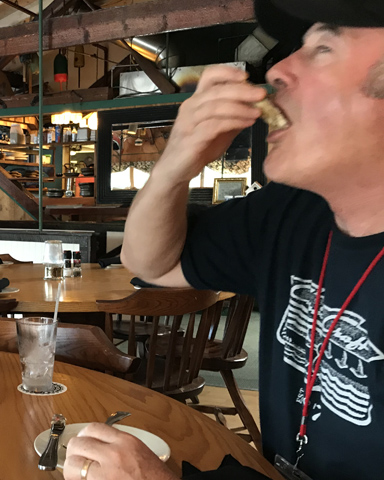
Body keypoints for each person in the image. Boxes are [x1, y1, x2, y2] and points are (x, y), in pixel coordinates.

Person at [64, 0, 384, 479]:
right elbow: (151, 262)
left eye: (322, 48)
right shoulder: (293, 212)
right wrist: (175, 164)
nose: (277, 69)